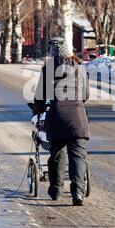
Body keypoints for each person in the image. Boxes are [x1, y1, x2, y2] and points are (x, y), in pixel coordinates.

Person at [34, 37, 90, 206]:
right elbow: (85, 95)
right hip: (77, 118)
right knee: (78, 156)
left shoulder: (48, 70)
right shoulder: (80, 69)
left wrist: (39, 110)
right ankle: (78, 193)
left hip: (57, 117)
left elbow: (40, 98)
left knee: (57, 154)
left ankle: (56, 191)